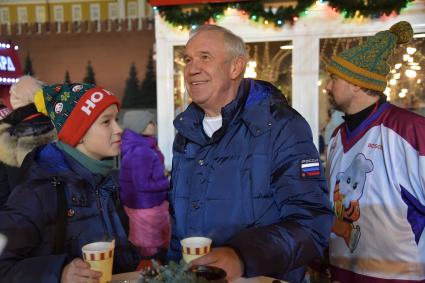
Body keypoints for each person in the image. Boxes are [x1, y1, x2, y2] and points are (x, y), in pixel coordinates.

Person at [168, 24, 333, 282]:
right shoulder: (186, 133)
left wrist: (242, 257)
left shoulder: (282, 127)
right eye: (188, 59)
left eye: (205, 57)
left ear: (236, 67)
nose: (192, 68)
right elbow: (179, 228)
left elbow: (312, 223)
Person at [0, 83, 141, 282]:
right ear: (79, 132)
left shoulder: (104, 181)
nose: (119, 129)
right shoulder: (39, 189)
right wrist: (60, 273)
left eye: (116, 119)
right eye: (106, 122)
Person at [325, 21, 425, 282]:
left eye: (333, 78)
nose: (326, 86)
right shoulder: (336, 138)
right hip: (341, 273)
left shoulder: (410, 131)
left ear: (356, 84)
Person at [119, 109, 170, 259]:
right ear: (139, 125)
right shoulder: (141, 150)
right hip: (147, 207)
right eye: (150, 121)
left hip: (144, 205)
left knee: (151, 249)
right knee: (150, 251)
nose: (154, 124)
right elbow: (142, 184)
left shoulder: (143, 145)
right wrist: (167, 182)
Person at [0, 76, 56, 206]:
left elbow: (3, 188)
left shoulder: (6, 136)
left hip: (23, 214)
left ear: (15, 100)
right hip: (60, 210)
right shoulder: (58, 125)